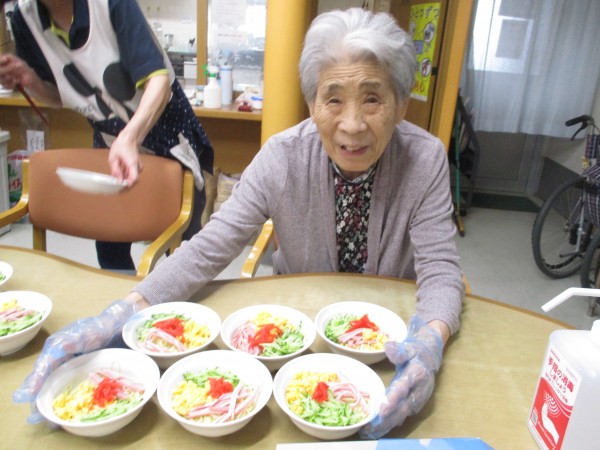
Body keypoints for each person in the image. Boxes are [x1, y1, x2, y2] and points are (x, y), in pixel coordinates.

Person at [13, 8, 464, 438]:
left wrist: (430, 342)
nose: (352, 124)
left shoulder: (423, 159)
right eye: (333, 99)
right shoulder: (281, 157)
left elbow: (441, 270)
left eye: (372, 98)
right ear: (311, 104)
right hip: (296, 343)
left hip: (390, 346)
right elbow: (209, 247)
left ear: (400, 106)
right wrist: (122, 312)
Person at [0, 0, 213, 270]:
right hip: (111, 140)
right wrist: (30, 80)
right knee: (110, 245)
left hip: (170, 137)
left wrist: (130, 137)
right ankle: (125, 297)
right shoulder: (25, 18)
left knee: (182, 253)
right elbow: (60, 95)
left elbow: (159, 84)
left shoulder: (110, 4)